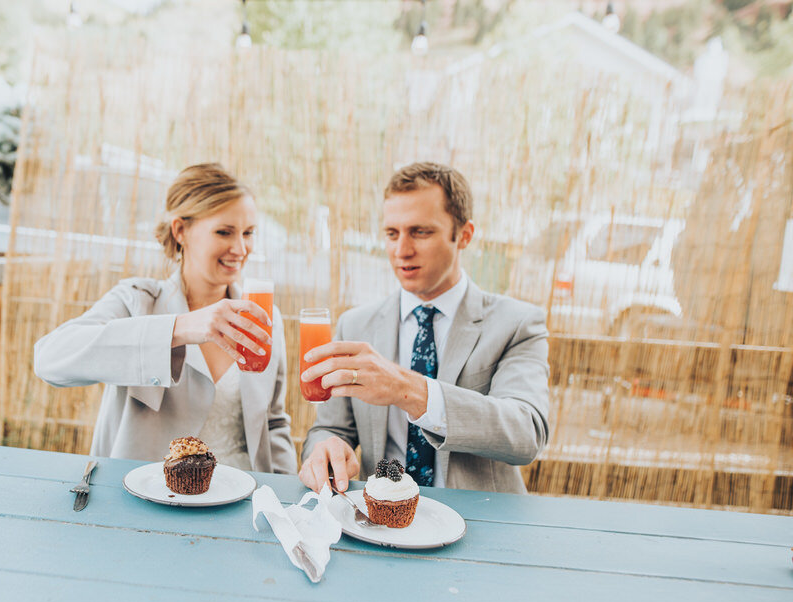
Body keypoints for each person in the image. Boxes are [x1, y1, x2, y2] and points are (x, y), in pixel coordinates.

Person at [299, 162, 549, 493]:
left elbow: (526, 433)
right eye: (392, 234)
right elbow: (329, 428)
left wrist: (409, 391)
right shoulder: (356, 325)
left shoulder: (516, 324)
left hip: (479, 527)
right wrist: (326, 449)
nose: (401, 250)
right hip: (381, 519)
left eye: (421, 232)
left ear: (464, 235)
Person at [34, 163, 296, 474]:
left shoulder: (265, 318)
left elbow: (273, 421)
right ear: (180, 230)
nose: (241, 248)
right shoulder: (137, 300)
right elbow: (49, 359)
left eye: (249, 233)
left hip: (240, 499)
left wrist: (283, 495)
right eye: (224, 232)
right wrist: (179, 328)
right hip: (146, 495)